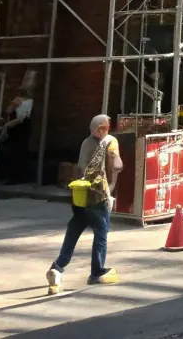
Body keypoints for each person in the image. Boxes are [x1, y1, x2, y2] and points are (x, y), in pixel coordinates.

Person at [46, 114, 123, 292]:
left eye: (105, 128)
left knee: (74, 230)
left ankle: (57, 268)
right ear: (97, 128)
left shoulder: (85, 143)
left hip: (80, 195)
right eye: (102, 128)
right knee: (101, 233)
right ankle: (96, 272)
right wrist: (112, 179)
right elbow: (117, 164)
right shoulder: (110, 141)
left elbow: (82, 168)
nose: (104, 130)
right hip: (97, 196)